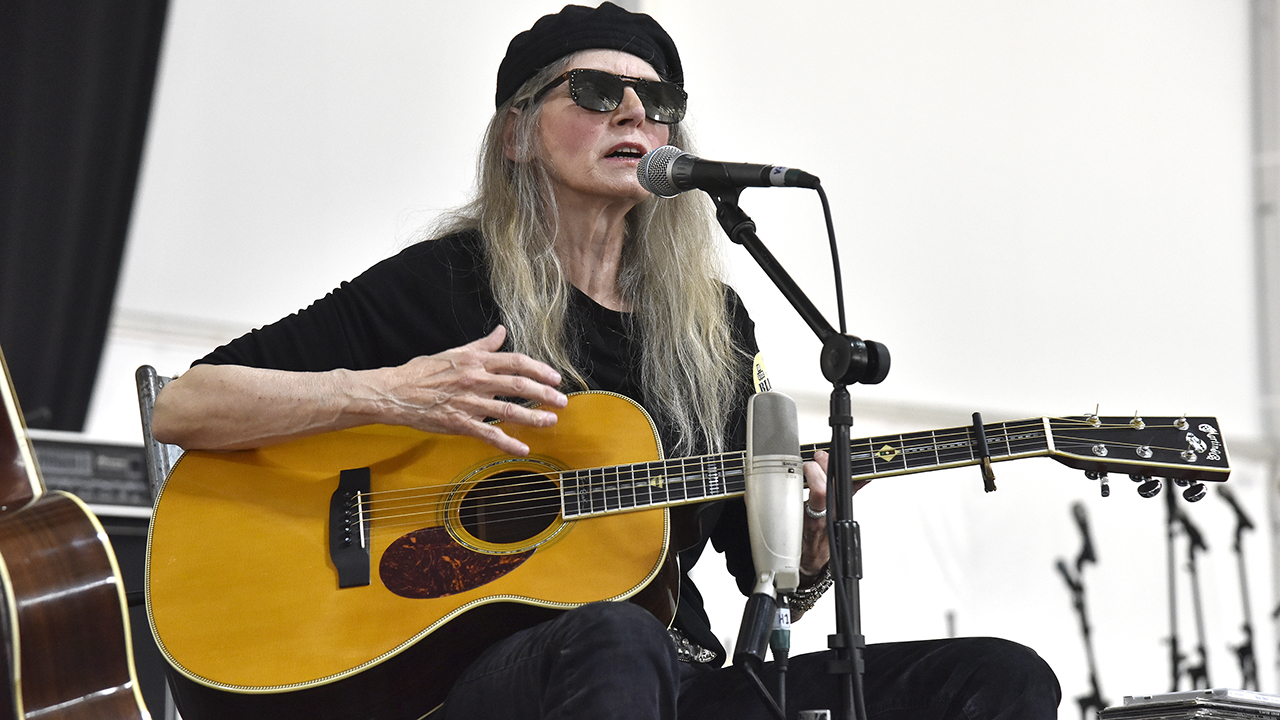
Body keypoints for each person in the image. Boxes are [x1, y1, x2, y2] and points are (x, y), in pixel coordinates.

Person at [151, 3, 1061, 719]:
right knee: (616, 637)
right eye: (594, 92)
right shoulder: (445, 287)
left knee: (997, 678)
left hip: (681, 679)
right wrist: (394, 389)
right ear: (516, 134)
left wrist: (815, 537)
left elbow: (765, 568)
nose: (634, 112)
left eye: (658, 102)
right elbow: (184, 407)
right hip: (472, 683)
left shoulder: (715, 328)